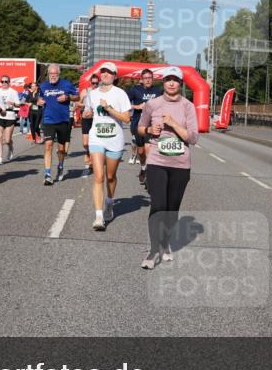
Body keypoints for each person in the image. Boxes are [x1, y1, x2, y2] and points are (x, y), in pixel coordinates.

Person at [138, 66, 198, 268]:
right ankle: (154, 250)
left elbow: (193, 137)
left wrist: (173, 123)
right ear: (162, 83)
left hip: (180, 163)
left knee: (172, 209)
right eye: (168, 80)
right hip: (157, 160)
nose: (171, 83)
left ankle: (165, 244)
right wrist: (148, 129)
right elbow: (139, 128)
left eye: (175, 80)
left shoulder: (188, 106)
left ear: (181, 84)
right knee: (158, 205)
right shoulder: (152, 104)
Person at [83, 62, 132, 230]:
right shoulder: (92, 94)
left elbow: (126, 119)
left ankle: (110, 202)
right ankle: (98, 217)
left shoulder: (120, 94)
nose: (105, 75)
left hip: (114, 140)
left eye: (109, 73)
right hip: (97, 138)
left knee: (110, 177)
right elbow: (88, 111)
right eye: (103, 72)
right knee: (98, 177)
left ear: (115, 76)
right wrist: (87, 113)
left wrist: (109, 108)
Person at [38, 64, 79, 185]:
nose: (53, 76)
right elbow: (39, 98)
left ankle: (60, 166)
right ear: (48, 74)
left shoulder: (66, 84)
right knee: (48, 145)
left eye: (55, 74)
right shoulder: (44, 86)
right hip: (48, 120)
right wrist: (39, 101)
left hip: (63, 120)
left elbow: (77, 97)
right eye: (51, 74)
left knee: (61, 149)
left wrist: (67, 97)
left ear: (59, 74)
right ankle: (48, 174)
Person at [127, 68, 163, 185]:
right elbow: (124, 103)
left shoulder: (158, 91)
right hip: (138, 125)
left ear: (152, 79)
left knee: (149, 150)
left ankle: (150, 175)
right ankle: (143, 168)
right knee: (141, 152)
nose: (148, 80)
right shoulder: (135, 90)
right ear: (141, 79)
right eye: (145, 78)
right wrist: (137, 107)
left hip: (152, 125)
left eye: (150, 78)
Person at [0, 76, 21, 164]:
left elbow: (18, 105)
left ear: (9, 82)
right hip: (0, 115)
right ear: (0, 82)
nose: (4, 83)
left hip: (10, 116)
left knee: (7, 140)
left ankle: (10, 148)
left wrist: (13, 103)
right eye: (2, 81)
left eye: (6, 81)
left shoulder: (13, 92)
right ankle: (0, 158)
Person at [78, 73, 100, 177]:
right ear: (90, 82)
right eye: (93, 83)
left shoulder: (101, 92)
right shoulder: (85, 91)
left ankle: (91, 162)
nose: (95, 85)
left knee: (94, 141)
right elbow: (79, 103)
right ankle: (88, 152)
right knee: (85, 143)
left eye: (97, 83)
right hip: (86, 118)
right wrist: (85, 107)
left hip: (96, 119)